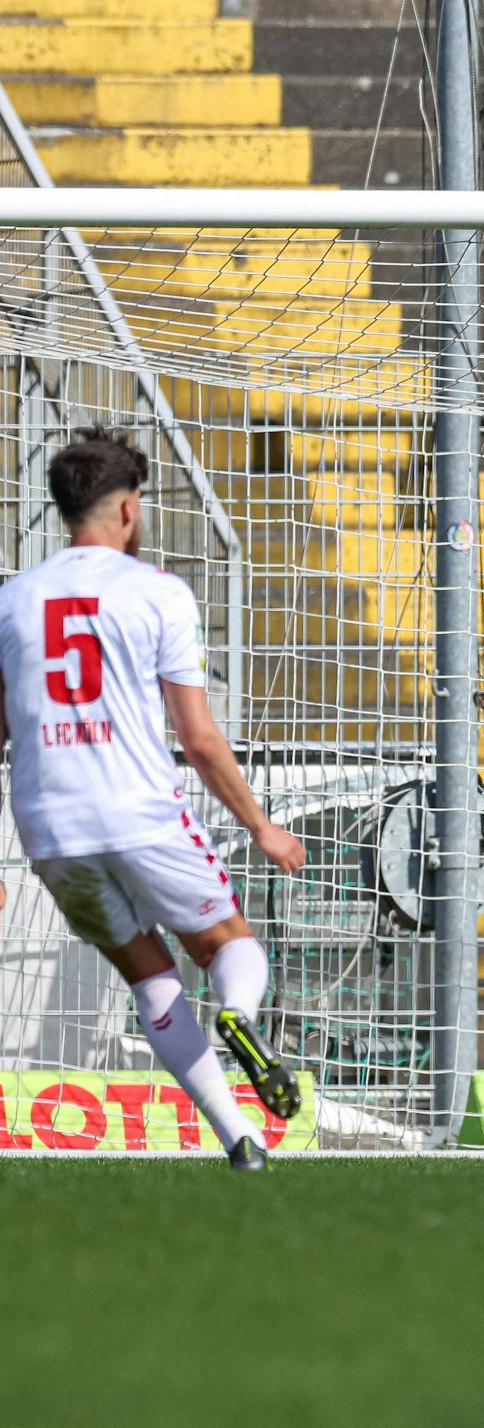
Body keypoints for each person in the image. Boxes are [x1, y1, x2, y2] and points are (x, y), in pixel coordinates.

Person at [0, 428, 307, 1170]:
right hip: (139, 811)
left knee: (150, 976)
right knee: (227, 944)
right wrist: (261, 827)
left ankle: (240, 1138)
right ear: (129, 509)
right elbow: (198, 739)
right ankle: (239, 1016)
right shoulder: (159, 592)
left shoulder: (12, 599)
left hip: (50, 827)